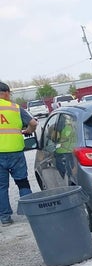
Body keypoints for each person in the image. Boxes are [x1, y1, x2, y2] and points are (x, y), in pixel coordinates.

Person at [0, 81, 37, 226]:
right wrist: (28, 131)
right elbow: (33, 123)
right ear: (7, 93)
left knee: (1, 187)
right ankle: (29, 212)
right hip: (16, 152)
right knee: (22, 182)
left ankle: (5, 217)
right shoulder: (15, 108)